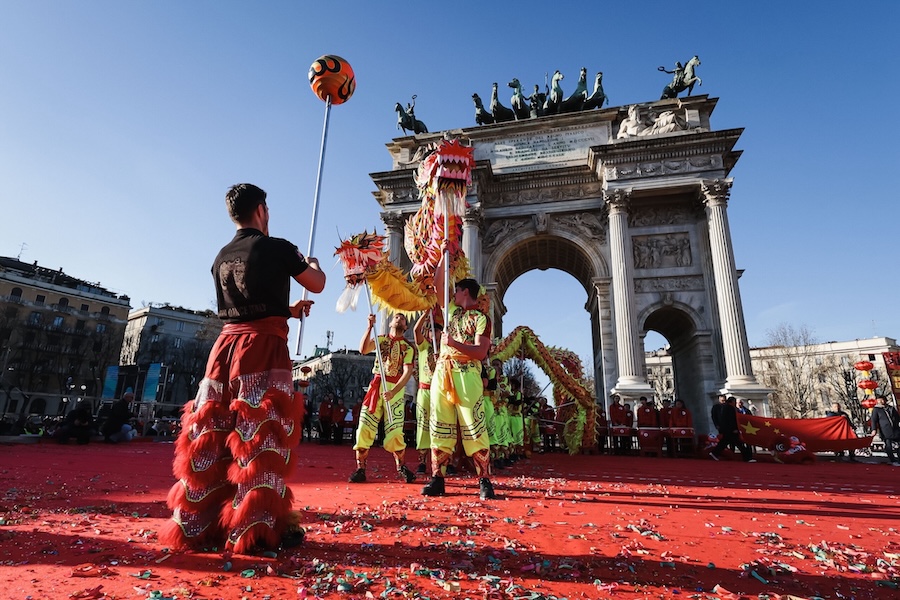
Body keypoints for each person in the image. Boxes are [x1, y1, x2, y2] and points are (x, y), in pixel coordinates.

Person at [159, 182, 326, 555]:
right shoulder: (278, 247)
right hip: (262, 350)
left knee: (213, 435)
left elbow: (246, 304)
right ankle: (255, 529)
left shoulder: (221, 256)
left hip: (224, 349)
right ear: (262, 210)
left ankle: (201, 524)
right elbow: (316, 284)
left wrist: (286, 311)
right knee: (260, 437)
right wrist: (312, 263)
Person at [422, 257, 496, 500]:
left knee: (473, 425)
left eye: (456, 290)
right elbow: (437, 286)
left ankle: (484, 480)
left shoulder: (481, 319)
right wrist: (444, 256)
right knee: (439, 425)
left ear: (465, 292)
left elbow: (481, 352)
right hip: (442, 373)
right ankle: (437, 478)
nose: (452, 294)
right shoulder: (451, 312)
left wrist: (453, 343)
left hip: (467, 374)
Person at [349, 312, 417, 484]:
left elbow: (407, 372)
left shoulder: (408, 348)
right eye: (396, 317)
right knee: (364, 427)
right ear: (390, 323)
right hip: (376, 387)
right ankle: (360, 469)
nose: (399, 319)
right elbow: (363, 349)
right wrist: (369, 327)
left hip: (395, 390)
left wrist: (394, 391)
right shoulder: (380, 340)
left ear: (406, 326)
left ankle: (401, 467)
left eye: (403, 318)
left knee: (395, 432)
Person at [413, 310, 442, 475]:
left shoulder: (445, 350)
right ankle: (422, 461)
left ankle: (442, 461)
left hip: (440, 392)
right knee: (423, 424)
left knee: (442, 424)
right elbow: (416, 330)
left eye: (437, 331)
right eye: (431, 330)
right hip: (424, 391)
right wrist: (425, 313)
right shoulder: (424, 347)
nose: (434, 333)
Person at [709, 397, 754, 462]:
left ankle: (714, 453)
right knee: (739, 444)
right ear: (732, 402)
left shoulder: (725, 408)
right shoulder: (730, 408)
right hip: (731, 430)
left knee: (724, 443)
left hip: (727, 430)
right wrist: (735, 428)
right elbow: (732, 420)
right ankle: (747, 458)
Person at [869, 396, 900, 465]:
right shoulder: (876, 409)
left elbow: (897, 417)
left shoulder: (891, 408)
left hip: (895, 429)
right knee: (888, 445)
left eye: (882, 400)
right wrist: (874, 429)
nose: (880, 402)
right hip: (885, 430)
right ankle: (892, 459)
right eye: (879, 400)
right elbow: (874, 420)